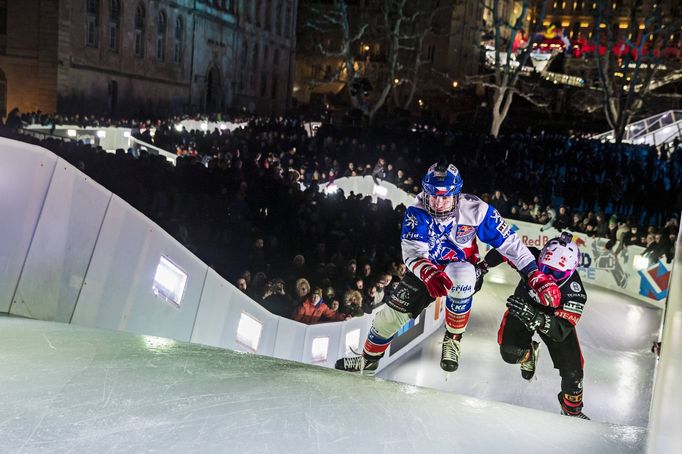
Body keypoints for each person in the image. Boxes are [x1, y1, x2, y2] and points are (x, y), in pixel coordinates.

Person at [335, 162, 561, 374]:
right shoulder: (416, 211)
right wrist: (427, 271)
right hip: (427, 269)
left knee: (461, 274)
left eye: (445, 198)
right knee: (388, 317)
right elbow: (412, 251)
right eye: (433, 197)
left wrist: (534, 275)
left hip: (464, 269)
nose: (438, 203)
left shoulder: (477, 210)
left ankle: (453, 339)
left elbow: (510, 244)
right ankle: (368, 359)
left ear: (457, 194)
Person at [493, 232, 590, 419]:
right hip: (523, 308)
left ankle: (572, 410)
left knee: (573, 370)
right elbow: (504, 249)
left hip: (553, 320)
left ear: (571, 271)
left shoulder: (575, 293)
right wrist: (482, 266)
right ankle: (528, 353)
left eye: (558, 273)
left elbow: (561, 331)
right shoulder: (530, 257)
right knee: (509, 353)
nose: (551, 277)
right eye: (545, 269)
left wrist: (535, 317)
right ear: (539, 261)